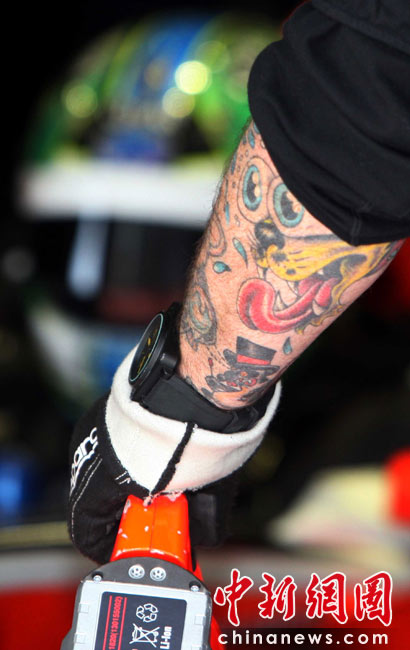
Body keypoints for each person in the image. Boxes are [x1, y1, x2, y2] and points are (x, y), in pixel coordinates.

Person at [68, 0, 410, 564]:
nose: (126, 296)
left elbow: (372, 84)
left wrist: (173, 413)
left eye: (176, 256)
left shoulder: (369, 463)